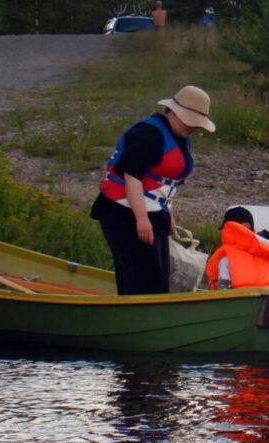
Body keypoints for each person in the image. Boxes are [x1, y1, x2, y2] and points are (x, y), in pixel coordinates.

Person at [90, 85, 216, 295]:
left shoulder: (179, 137)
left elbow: (166, 182)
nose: (193, 128)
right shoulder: (147, 135)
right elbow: (132, 177)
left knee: (158, 277)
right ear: (174, 113)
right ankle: (133, 319)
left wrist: (168, 215)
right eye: (190, 121)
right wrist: (141, 218)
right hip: (122, 212)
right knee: (139, 279)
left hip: (153, 212)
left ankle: (153, 318)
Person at [205, 206, 269, 290]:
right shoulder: (266, 255)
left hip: (238, 301)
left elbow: (223, 293)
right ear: (253, 231)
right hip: (267, 301)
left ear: (227, 232)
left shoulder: (225, 260)